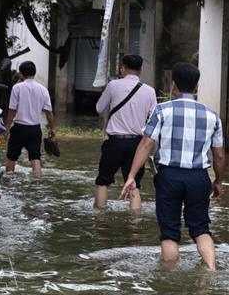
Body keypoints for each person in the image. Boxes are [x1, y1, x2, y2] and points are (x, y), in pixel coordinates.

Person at [120, 62, 225, 271]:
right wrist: (218, 181)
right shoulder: (212, 115)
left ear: (173, 86)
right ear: (196, 87)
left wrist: (131, 175)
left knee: (169, 233)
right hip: (198, 177)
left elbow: (146, 143)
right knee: (201, 228)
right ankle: (212, 270)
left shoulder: (161, 110)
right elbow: (219, 155)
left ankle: (168, 281)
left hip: (169, 176)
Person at [94, 55, 157, 210]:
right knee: (134, 184)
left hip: (115, 142)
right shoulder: (150, 91)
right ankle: (134, 224)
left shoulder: (113, 86)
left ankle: (100, 220)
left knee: (103, 182)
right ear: (141, 70)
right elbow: (155, 119)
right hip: (138, 145)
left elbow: (98, 108)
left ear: (122, 68)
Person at [3, 61, 55, 175]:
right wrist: (52, 129)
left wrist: (7, 129)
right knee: (35, 158)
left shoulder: (17, 88)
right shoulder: (43, 89)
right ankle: (37, 181)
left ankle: (8, 180)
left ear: (21, 74)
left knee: (12, 157)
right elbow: (49, 112)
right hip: (35, 129)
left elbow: (12, 110)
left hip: (19, 128)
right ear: (34, 72)